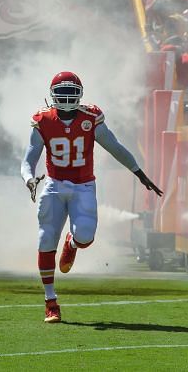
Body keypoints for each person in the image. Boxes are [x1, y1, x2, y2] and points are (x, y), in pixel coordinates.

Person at [21, 72, 163, 323]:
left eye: (71, 92)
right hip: (54, 185)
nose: (66, 98)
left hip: (83, 185)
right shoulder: (43, 120)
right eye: (62, 92)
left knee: (85, 235)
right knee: (45, 241)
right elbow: (28, 159)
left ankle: (72, 244)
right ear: (53, 95)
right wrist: (29, 179)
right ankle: (50, 302)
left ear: (80, 94)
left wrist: (138, 173)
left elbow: (115, 147)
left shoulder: (90, 118)